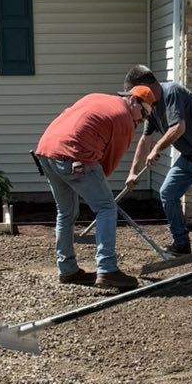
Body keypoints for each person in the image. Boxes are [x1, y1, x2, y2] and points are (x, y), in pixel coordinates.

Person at [33, 85, 156, 291]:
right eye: (143, 113)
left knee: (65, 212)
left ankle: (67, 270)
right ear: (133, 100)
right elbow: (108, 162)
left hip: (46, 152)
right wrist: (96, 185)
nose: (141, 120)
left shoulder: (98, 97)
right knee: (106, 208)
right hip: (75, 155)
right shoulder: (124, 118)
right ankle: (107, 270)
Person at [122, 66, 192, 258]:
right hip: (189, 157)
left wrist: (156, 149)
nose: (135, 100)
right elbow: (145, 140)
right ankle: (181, 243)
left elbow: (178, 127)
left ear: (144, 86)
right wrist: (132, 172)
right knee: (168, 193)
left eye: (135, 93)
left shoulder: (172, 92)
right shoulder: (151, 106)